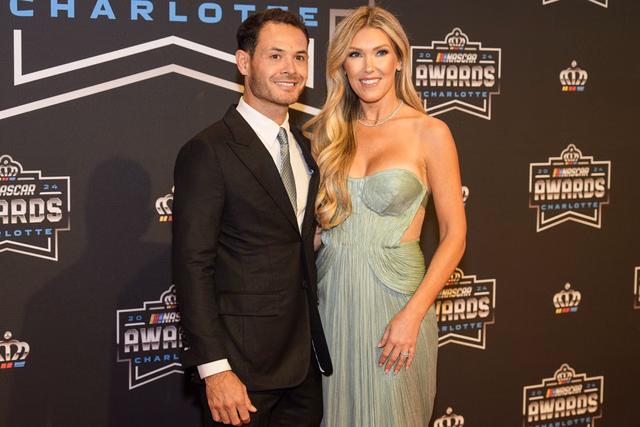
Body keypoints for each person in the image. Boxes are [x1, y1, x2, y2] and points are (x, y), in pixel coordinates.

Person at [304, 6, 466, 426]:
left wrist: (414, 314)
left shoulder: (429, 132)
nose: (368, 67)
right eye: (355, 55)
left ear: (399, 60)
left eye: (380, 52)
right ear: (342, 65)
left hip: (398, 303)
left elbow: (454, 235)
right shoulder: (327, 133)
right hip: (333, 299)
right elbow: (316, 229)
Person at [172, 9, 332, 427]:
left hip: (304, 367)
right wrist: (215, 370)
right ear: (244, 62)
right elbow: (192, 265)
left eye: (299, 57)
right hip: (241, 371)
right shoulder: (210, 150)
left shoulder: (305, 148)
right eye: (275, 55)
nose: (291, 68)